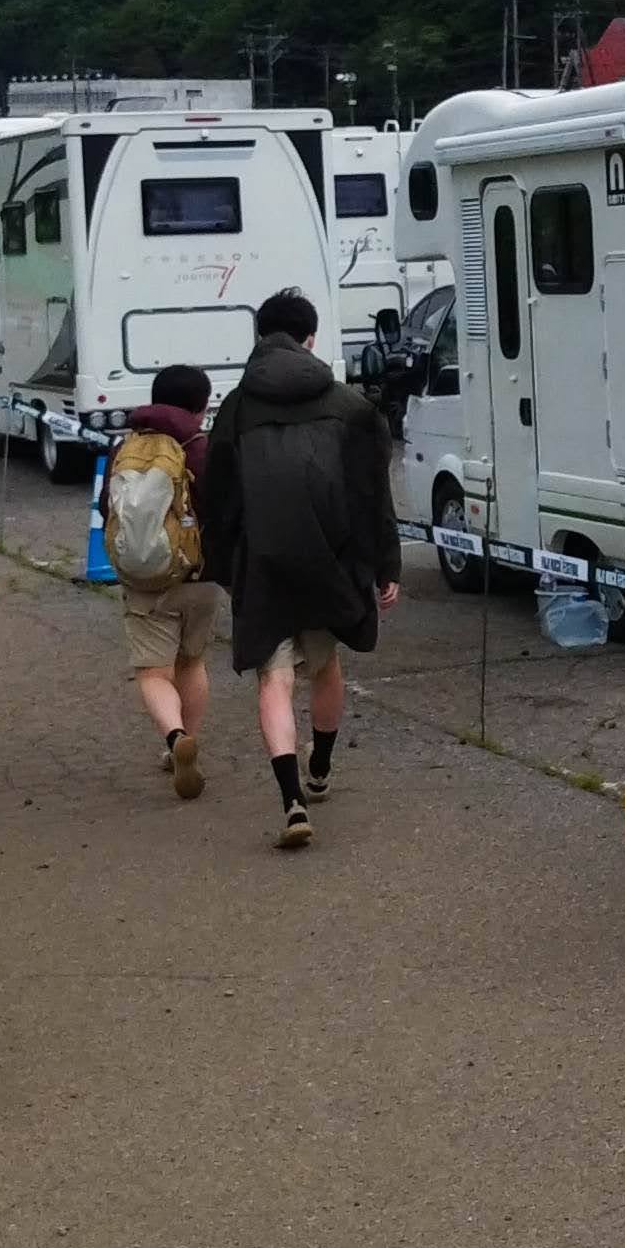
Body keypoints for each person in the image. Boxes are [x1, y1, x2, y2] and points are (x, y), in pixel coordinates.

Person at [194, 289, 397, 852]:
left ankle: (291, 801)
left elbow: (219, 496)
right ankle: (322, 768)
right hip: (332, 560)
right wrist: (385, 564)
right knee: (326, 667)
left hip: (264, 561)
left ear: (260, 337)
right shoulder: (350, 405)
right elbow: (372, 494)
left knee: (273, 678)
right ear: (311, 339)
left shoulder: (236, 407)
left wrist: (225, 560)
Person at [99, 363, 218, 801]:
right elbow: (220, 507)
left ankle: (174, 736)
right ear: (202, 406)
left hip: (145, 580)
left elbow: (106, 509)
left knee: (153, 673)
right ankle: (187, 744)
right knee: (192, 661)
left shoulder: (126, 447)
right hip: (201, 574)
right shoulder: (202, 447)